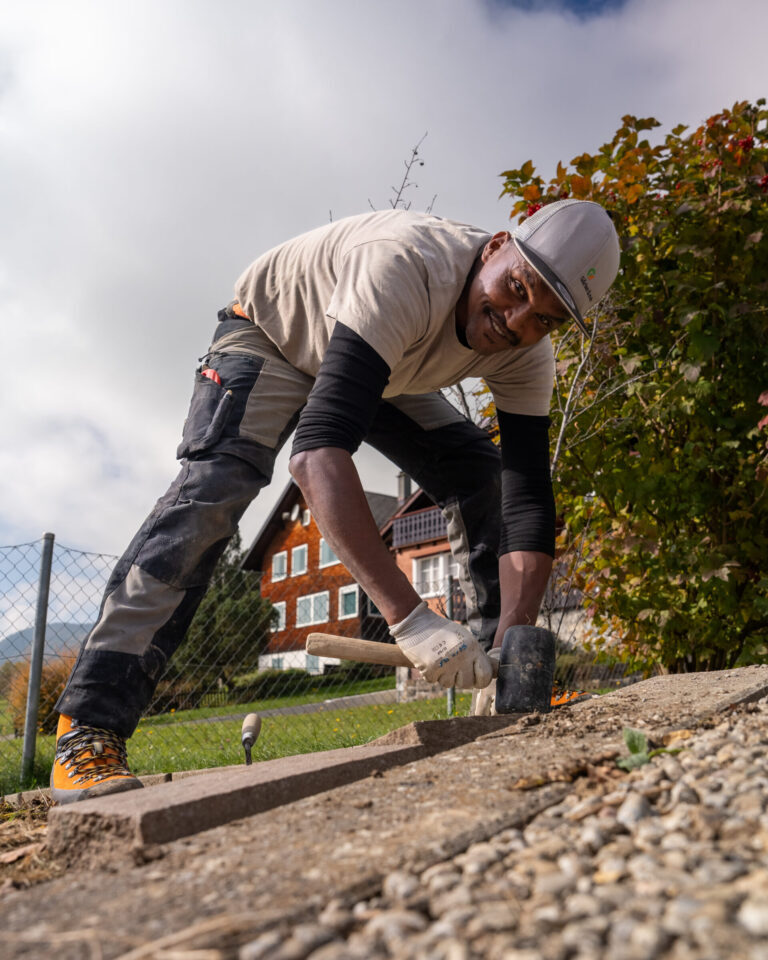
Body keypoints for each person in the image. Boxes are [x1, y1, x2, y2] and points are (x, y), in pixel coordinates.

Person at [51, 199, 620, 803]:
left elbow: (526, 498)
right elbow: (316, 456)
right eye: (515, 288)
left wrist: (515, 639)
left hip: (382, 362)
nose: (516, 319)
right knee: (215, 493)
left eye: (545, 317)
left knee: (483, 472)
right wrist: (411, 618)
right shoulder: (406, 264)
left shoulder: (527, 352)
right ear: (495, 246)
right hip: (274, 336)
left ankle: (505, 689)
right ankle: (88, 728)